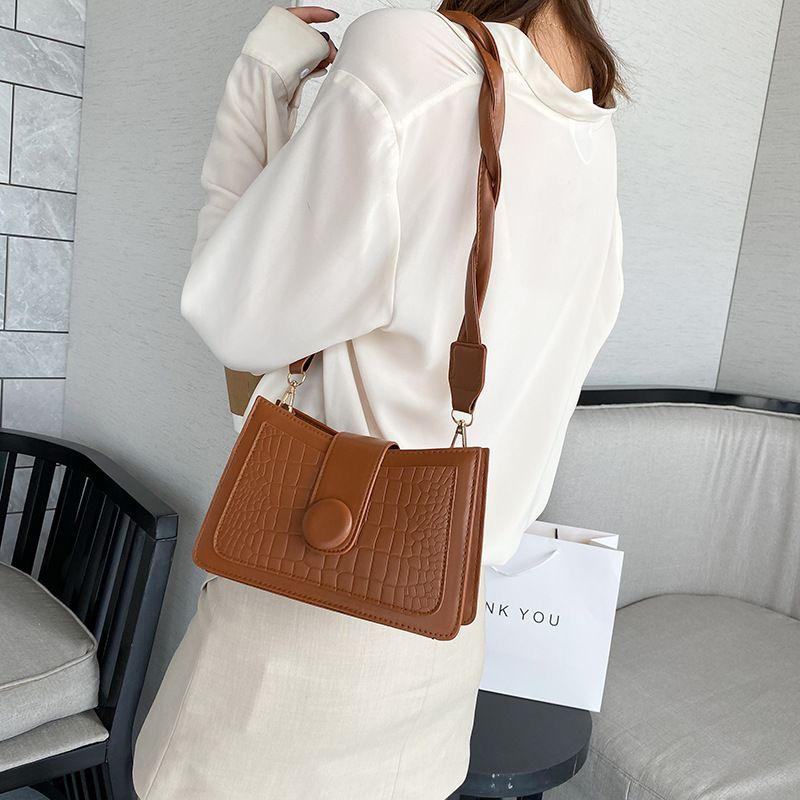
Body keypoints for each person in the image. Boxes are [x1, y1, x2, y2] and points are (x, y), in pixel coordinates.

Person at [132, 1, 628, 797]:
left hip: (304, 627)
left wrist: (262, 74)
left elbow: (234, 314)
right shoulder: (591, 134)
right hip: (443, 634)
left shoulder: (416, 54)